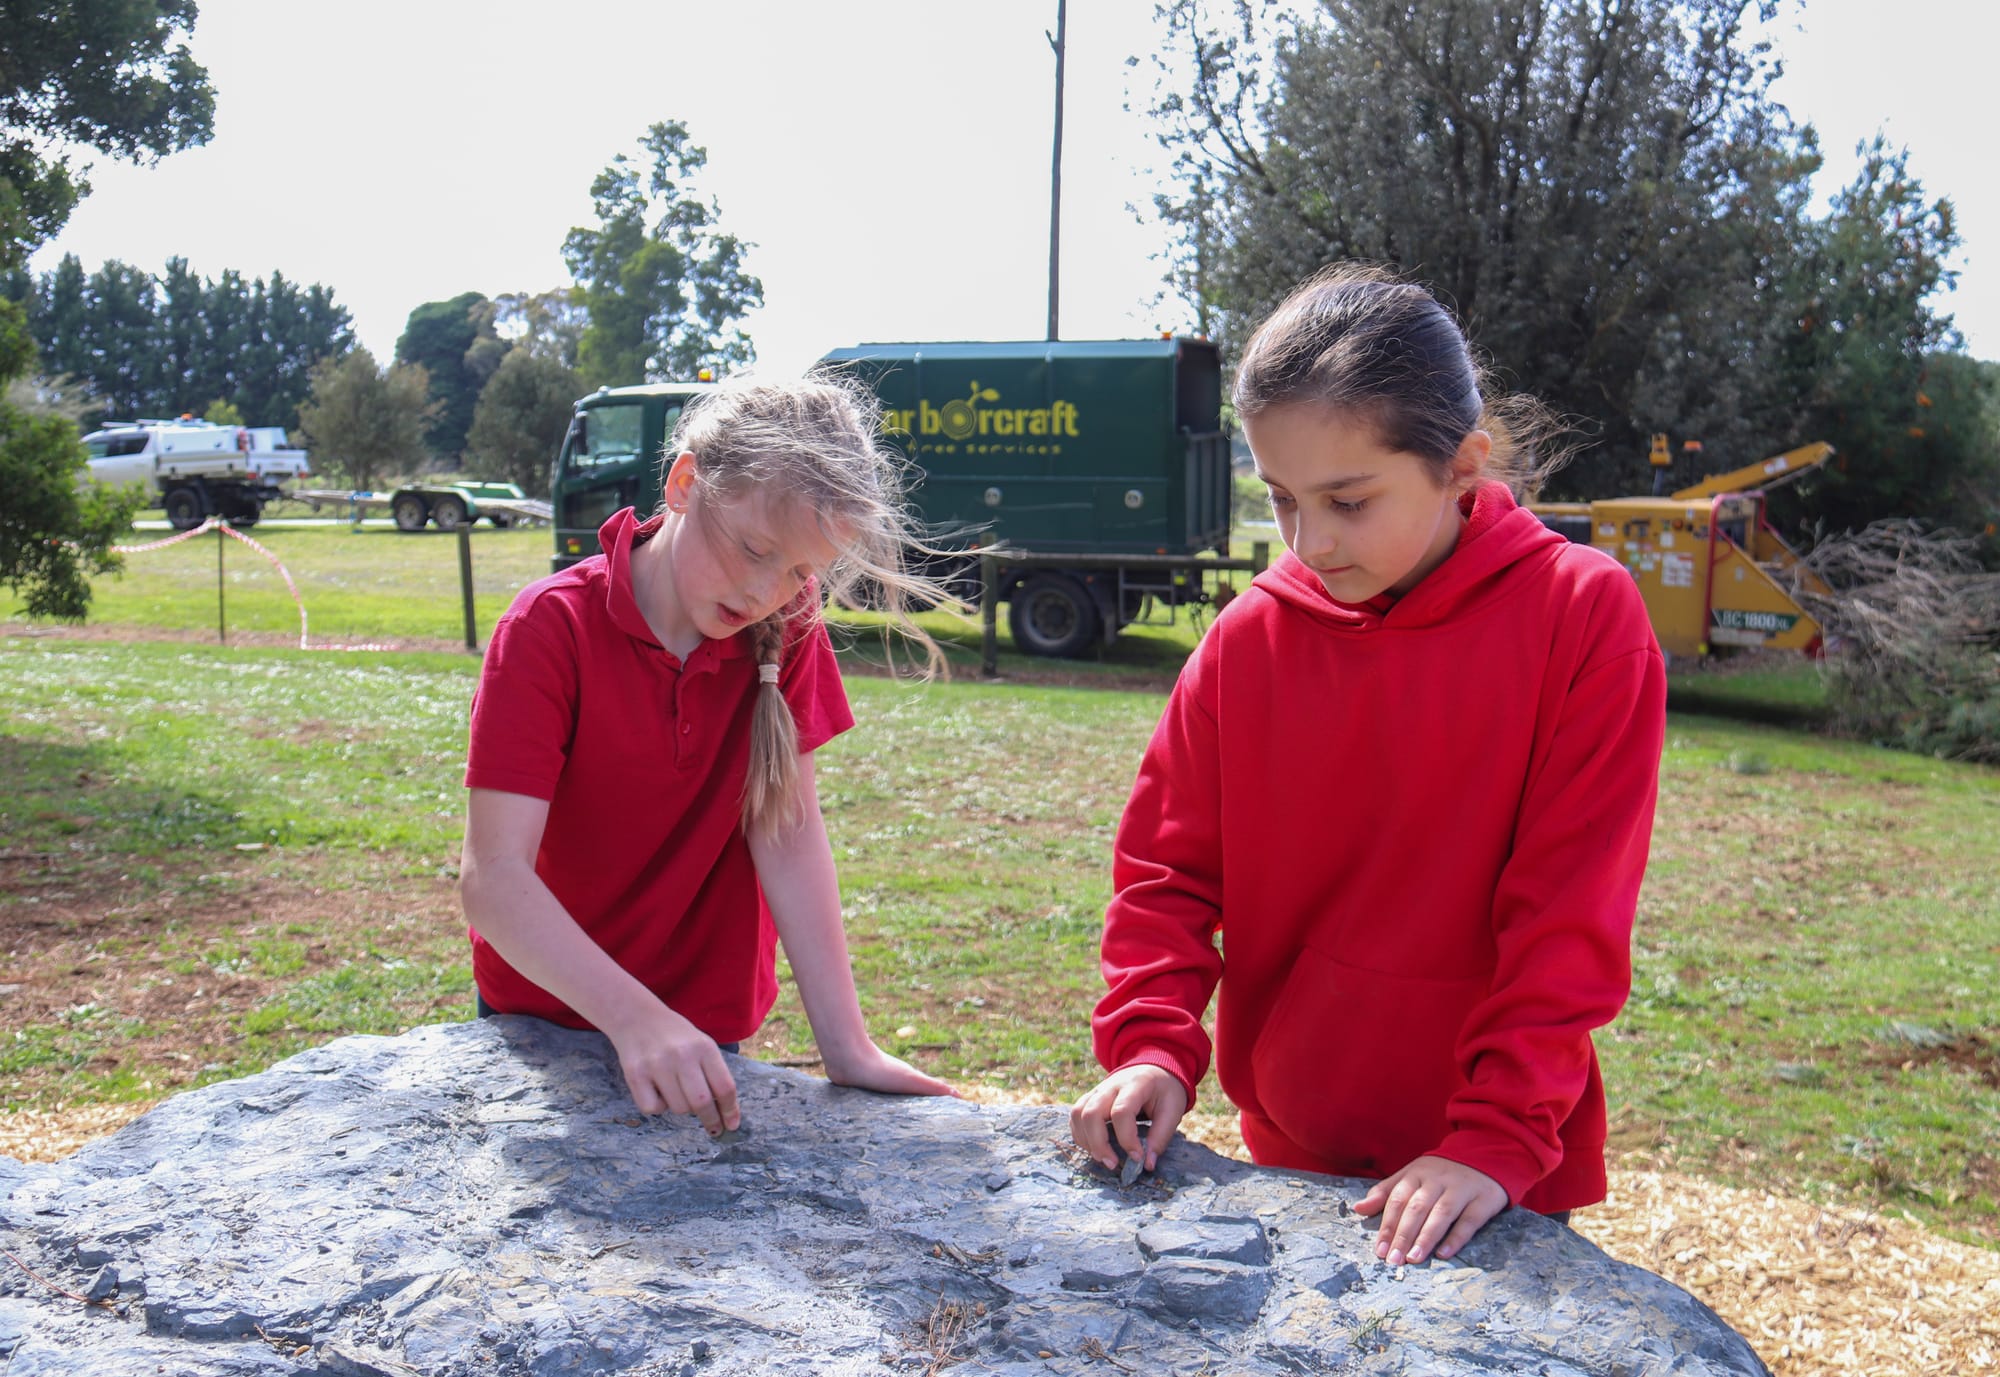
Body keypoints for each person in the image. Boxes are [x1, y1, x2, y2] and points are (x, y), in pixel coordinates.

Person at [1071, 264, 1666, 1268]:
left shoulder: (1581, 618)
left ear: (1461, 462)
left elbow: (1568, 915)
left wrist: (1490, 1143)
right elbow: (1167, 874)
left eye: (1347, 500)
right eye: (1280, 500)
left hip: (1486, 1179)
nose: (1307, 542)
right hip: (1294, 1149)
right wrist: (1150, 1047)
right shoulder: (1246, 639)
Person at [459, 371, 955, 1137]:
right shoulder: (548, 630)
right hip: (543, 1025)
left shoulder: (788, 629)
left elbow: (785, 831)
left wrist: (847, 1047)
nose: (766, 590)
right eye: (754, 547)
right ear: (685, 483)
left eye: (797, 570)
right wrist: (634, 1017)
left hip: (700, 1040)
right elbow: (493, 880)